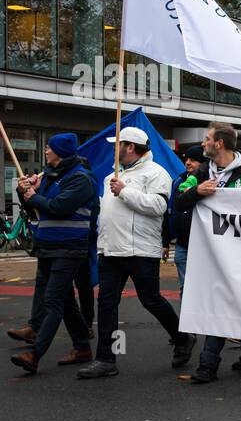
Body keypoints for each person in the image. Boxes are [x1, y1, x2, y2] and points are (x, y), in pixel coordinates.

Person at [77, 128, 195, 378]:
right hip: (111, 250)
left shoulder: (156, 173)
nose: (113, 148)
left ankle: (181, 337)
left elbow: (159, 206)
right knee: (107, 302)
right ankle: (105, 359)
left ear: (130, 147)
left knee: (150, 299)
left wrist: (125, 191)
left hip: (140, 250)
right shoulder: (112, 175)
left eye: (117, 144)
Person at [175, 122, 241, 384]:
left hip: (240, 255)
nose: (203, 143)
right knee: (223, 300)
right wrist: (197, 191)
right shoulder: (202, 172)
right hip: (210, 252)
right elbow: (179, 202)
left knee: (228, 300)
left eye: (207, 139)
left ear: (220, 143)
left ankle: (212, 363)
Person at [10, 133, 97, 374]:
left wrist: (35, 196)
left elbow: (59, 207)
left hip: (69, 248)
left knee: (53, 301)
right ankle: (82, 347)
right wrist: (23, 192)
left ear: (61, 150)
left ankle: (34, 354)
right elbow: (34, 209)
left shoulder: (81, 179)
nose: (46, 151)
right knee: (66, 300)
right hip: (48, 246)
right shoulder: (48, 177)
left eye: (49, 147)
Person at [166, 144, 204, 295]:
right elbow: (168, 211)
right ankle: (185, 319)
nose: (188, 162)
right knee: (185, 289)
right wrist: (165, 241)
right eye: (186, 159)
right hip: (182, 244)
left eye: (193, 160)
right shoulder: (178, 181)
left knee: (201, 289)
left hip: (204, 245)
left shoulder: (210, 183)